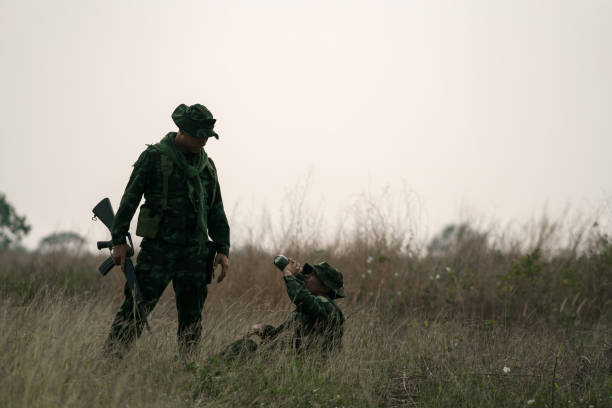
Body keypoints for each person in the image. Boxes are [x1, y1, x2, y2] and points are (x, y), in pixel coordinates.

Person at [105, 103, 230, 357]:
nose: (203, 141)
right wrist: (118, 240)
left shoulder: (207, 167)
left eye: (207, 136)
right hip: (158, 251)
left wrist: (223, 248)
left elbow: (215, 209)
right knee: (135, 309)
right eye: (198, 135)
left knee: (192, 319)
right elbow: (129, 199)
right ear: (182, 131)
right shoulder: (154, 157)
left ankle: (187, 370)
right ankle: (109, 363)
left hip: (195, 254)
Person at [219, 259, 345, 360]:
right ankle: (210, 372)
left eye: (312, 275)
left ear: (325, 288)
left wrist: (288, 274)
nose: (306, 276)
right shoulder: (313, 306)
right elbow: (283, 337)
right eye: (308, 273)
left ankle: (209, 373)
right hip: (289, 362)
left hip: (306, 366)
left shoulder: (327, 306)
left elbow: (301, 298)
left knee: (246, 346)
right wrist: (264, 330)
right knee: (247, 346)